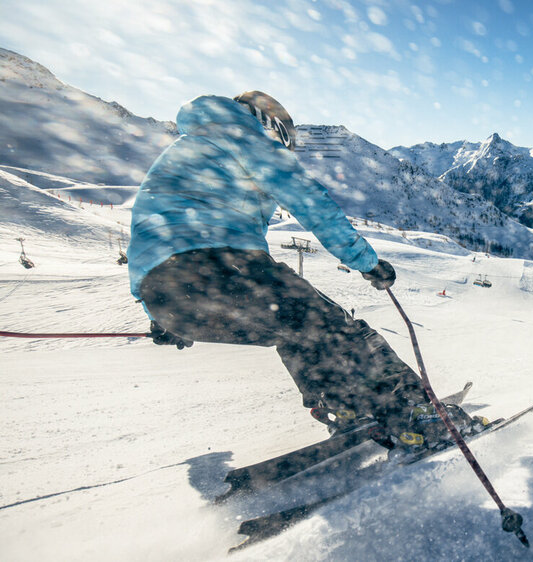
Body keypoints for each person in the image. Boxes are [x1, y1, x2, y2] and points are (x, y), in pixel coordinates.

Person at [127, 91, 466, 450]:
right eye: (284, 142)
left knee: (296, 329)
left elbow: (146, 237)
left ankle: (344, 407)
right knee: (336, 328)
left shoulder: (179, 152)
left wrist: (161, 314)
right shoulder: (245, 137)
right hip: (224, 267)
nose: (284, 150)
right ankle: (412, 411)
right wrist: (367, 262)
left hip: (166, 292)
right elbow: (310, 201)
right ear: (270, 126)